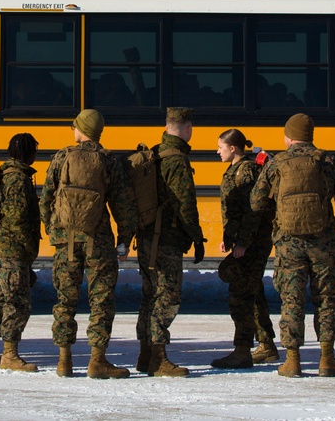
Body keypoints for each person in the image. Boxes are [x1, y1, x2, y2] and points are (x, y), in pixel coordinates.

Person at [250, 113, 335, 377]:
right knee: (326, 299)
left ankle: (292, 361)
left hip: (289, 242)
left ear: (288, 137)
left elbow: (255, 202)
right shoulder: (330, 162)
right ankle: (327, 360)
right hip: (324, 241)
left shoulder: (277, 163)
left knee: (292, 299)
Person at [40, 109, 140, 378]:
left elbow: (46, 198)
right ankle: (97, 361)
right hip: (99, 240)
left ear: (80, 129)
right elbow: (124, 206)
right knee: (101, 301)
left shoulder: (62, 157)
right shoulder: (108, 160)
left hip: (65, 241)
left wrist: (53, 229)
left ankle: (64, 361)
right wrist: (124, 241)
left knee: (65, 300)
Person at [134, 107, 203, 377]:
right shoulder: (177, 161)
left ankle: (145, 354)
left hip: (147, 238)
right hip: (167, 240)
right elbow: (186, 204)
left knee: (149, 297)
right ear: (188, 128)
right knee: (168, 297)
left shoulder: (154, 154)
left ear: (166, 127)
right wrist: (196, 237)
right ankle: (158, 358)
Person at [211, 128, 278, 369]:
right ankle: (267, 345)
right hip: (246, 241)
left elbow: (253, 211)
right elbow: (235, 212)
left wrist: (243, 244)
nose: (217, 151)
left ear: (233, 148)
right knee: (254, 290)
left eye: (221, 146)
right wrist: (229, 238)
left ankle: (242, 350)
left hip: (252, 243)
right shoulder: (236, 170)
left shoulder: (246, 171)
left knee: (240, 294)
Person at [0, 133, 42, 372]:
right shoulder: (18, 179)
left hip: (2, 247)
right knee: (18, 302)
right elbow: (17, 218)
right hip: (13, 249)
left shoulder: (6, 174)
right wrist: (28, 249)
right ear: (28, 153)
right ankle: (10, 355)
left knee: (0, 299)